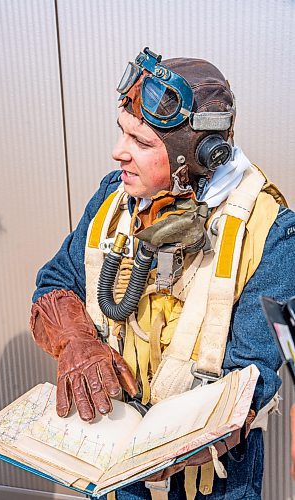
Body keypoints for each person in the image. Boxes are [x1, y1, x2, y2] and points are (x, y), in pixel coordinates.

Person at [30, 48, 295, 499]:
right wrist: (77, 340)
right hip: (116, 444)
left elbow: (250, 372)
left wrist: (197, 432)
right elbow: (56, 283)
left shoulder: (272, 233)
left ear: (199, 155)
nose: (119, 153)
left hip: (213, 471)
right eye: (123, 134)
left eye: (143, 143)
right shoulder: (112, 200)